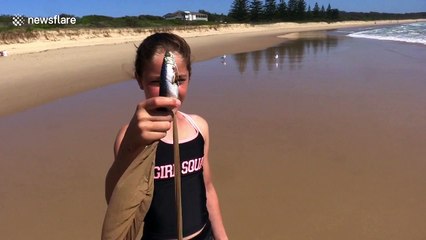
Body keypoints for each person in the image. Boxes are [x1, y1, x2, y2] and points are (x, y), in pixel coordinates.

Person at [103, 33, 228, 240]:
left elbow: (207, 189)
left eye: (179, 80)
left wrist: (222, 237)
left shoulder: (199, 127)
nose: (170, 90)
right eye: (155, 81)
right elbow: (116, 204)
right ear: (139, 80)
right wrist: (131, 145)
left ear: (190, 76)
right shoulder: (131, 135)